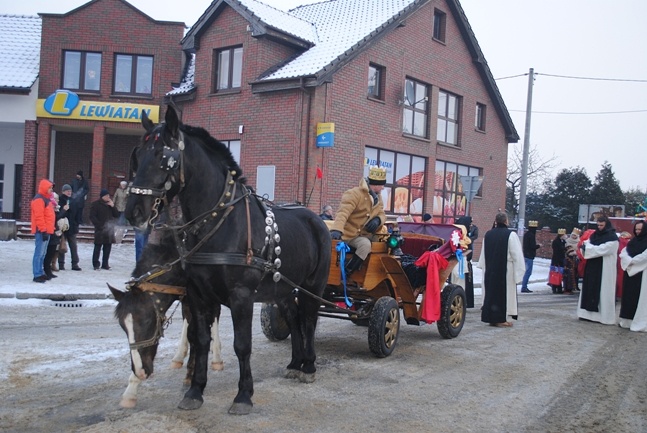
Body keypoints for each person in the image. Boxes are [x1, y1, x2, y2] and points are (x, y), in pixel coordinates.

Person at [330, 166, 387, 276]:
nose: (383, 188)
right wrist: (337, 229)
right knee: (365, 245)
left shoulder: (378, 198)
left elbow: (381, 213)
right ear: (375, 184)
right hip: (350, 235)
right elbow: (343, 212)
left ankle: (372, 273)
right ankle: (346, 272)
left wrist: (378, 220)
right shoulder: (354, 194)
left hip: (365, 234)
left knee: (383, 244)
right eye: (382, 185)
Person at [478, 212, 526, 327]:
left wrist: (483, 266)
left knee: (491, 294)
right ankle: (501, 318)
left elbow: (483, 254)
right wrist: (519, 272)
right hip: (506, 271)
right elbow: (517, 255)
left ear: (496, 221)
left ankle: (491, 317)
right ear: (506, 221)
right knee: (504, 295)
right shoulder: (511, 235)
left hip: (490, 269)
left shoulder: (488, 234)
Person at [577, 215, 619, 325]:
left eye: (602, 225)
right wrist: (589, 248)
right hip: (592, 267)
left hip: (604, 268)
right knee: (589, 288)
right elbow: (585, 245)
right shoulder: (594, 235)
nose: (599, 227)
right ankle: (586, 314)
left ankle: (602, 317)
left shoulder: (612, 237)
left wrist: (589, 248)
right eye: (598, 225)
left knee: (602, 291)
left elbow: (603, 249)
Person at [618, 220, 647, 332]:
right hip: (630, 272)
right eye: (636, 229)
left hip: (642, 272)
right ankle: (627, 321)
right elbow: (624, 253)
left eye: (640, 229)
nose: (638, 231)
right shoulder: (633, 241)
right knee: (628, 296)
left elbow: (644, 257)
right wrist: (629, 261)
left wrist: (631, 262)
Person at [31, 179, 55, 283]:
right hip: (42, 231)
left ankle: (40, 272)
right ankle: (37, 274)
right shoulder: (39, 200)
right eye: (50, 188)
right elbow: (39, 217)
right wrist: (43, 230)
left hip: (47, 230)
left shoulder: (46, 199)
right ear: (45, 188)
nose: (51, 190)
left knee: (42, 253)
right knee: (39, 253)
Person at [89, 189, 119, 270]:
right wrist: (99, 225)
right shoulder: (95, 204)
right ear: (102, 196)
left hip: (109, 229)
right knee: (97, 247)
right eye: (107, 196)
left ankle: (105, 264)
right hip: (100, 229)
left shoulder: (110, 205)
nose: (108, 197)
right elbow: (92, 216)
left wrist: (113, 206)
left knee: (107, 247)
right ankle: (96, 264)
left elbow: (116, 215)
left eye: (109, 196)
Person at [42, 192, 67, 280]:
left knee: (52, 252)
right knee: (49, 253)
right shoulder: (50, 207)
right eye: (56, 199)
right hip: (51, 232)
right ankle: (46, 270)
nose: (58, 200)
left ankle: (49, 270)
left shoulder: (55, 208)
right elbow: (55, 218)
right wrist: (64, 210)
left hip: (55, 232)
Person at [455, 215, 478, 308]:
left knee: (465, 283)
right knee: (460, 283)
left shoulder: (465, 234)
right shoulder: (459, 236)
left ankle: (466, 302)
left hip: (465, 262)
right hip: (460, 263)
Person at [58, 184, 82, 271]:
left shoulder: (73, 201)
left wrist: (76, 224)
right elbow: (58, 214)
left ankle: (75, 263)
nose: (69, 192)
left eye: (70, 191)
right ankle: (61, 264)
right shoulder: (60, 200)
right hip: (62, 226)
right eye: (67, 191)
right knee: (62, 245)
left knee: (73, 246)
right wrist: (64, 210)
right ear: (63, 191)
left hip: (72, 226)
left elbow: (77, 214)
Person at [520, 220, 541, 293]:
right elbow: (532, 246)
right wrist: (538, 246)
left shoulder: (526, 234)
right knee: (528, 272)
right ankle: (524, 287)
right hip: (529, 256)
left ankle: (524, 286)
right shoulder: (531, 235)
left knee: (527, 271)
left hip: (526, 254)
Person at [563, 228, 581, 294]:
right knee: (569, 274)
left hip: (576, 258)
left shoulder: (579, 242)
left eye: (575, 235)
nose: (574, 237)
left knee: (576, 273)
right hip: (569, 259)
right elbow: (565, 249)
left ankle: (575, 286)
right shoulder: (567, 241)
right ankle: (568, 287)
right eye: (573, 235)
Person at [549, 228, 567, 294]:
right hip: (557, 260)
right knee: (556, 274)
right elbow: (557, 251)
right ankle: (555, 288)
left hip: (560, 260)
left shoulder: (562, 241)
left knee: (559, 275)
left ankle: (559, 288)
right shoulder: (556, 242)